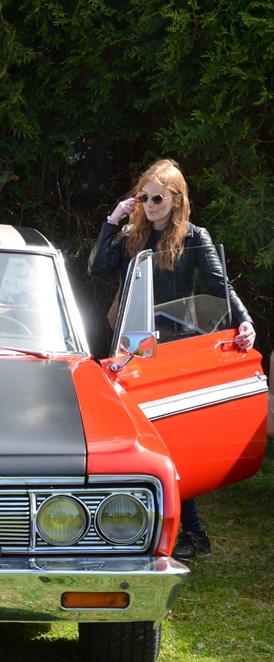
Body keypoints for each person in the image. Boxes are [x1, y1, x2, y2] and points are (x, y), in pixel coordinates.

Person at [88, 158, 256, 561]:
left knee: (169, 442)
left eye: (157, 198)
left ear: (176, 199)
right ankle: (158, 529)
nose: (149, 205)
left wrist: (245, 321)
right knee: (139, 440)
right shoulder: (131, 235)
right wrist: (113, 219)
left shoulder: (195, 236)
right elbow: (97, 267)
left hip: (177, 349)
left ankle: (190, 533)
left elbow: (219, 286)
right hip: (132, 348)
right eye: (143, 197)